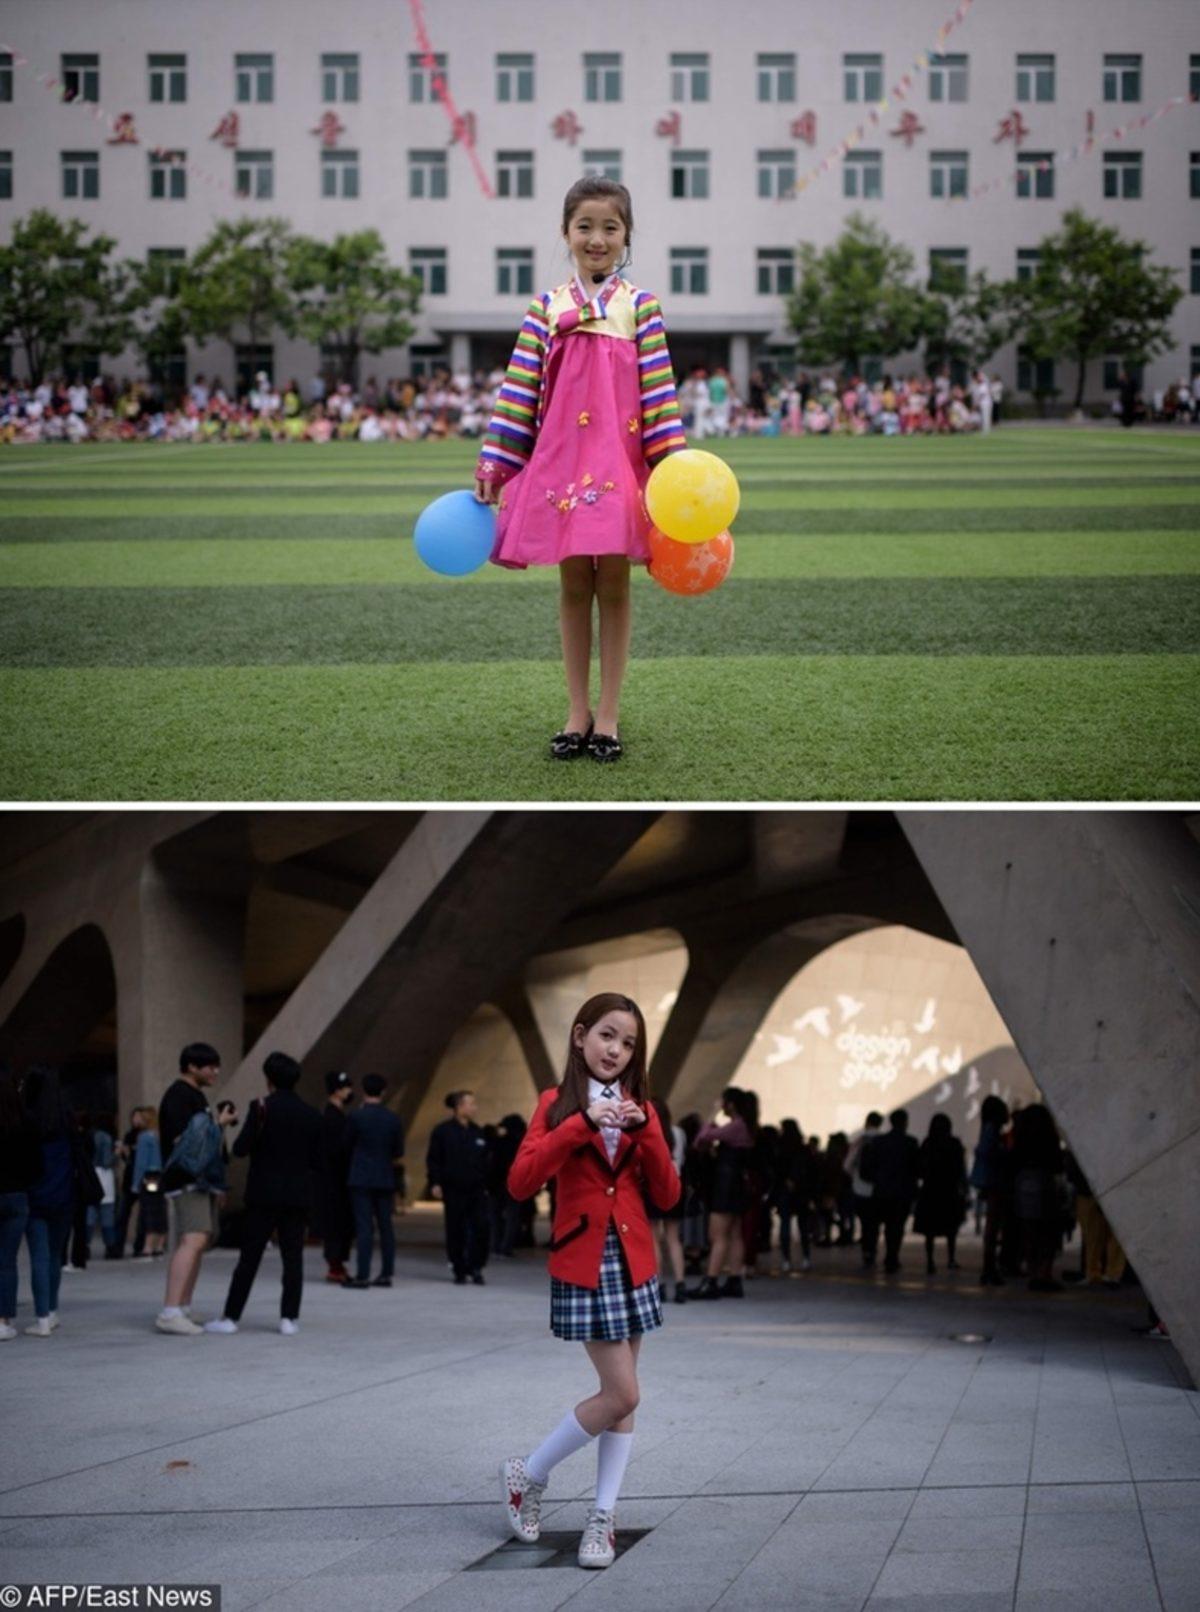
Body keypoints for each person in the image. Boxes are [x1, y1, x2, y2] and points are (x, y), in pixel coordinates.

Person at [473, 176, 687, 765]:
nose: (597, 238)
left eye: (610, 228)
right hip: (562, 467)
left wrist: (670, 470)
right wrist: (496, 461)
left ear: (626, 236)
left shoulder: (639, 307)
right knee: (573, 585)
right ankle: (576, 711)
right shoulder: (545, 309)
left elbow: (659, 394)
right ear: (565, 233)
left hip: (619, 466)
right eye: (585, 226)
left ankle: (610, 714)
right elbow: (519, 393)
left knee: (614, 585)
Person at [500, 993, 679, 1570]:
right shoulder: (554, 1103)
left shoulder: (642, 1107)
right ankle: (529, 1472)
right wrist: (579, 1124)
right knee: (623, 1393)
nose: (616, 1051)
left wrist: (647, 1128)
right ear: (580, 1036)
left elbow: (670, 1194)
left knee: (623, 1397)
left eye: (628, 1043)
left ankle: (601, 1517)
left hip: (634, 1259)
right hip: (585, 1259)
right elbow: (521, 1182)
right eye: (607, 1035)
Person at [206, 1052, 323, 1336]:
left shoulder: (260, 1108)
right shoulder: (311, 1114)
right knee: (293, 1258)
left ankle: (231, 1317)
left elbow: (241, 1149)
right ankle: (289, 1318)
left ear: (268, 1079)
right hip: (297, 1195)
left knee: (250, 1257)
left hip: (263, 1193)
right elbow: (318, 1161)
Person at [156, 1041, 237, 1336]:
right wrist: (219, 1122)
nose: (215, 1071)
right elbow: (187, 1142)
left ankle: (183, 1307)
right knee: (192, 1240)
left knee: (199, 1241)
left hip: (200, 1180)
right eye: (210, 1066)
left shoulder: (194, 1095)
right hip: (186, 1179)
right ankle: (171, 1310)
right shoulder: (179, 1096)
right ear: (192, 1066)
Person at [20, 1066, 75, 1337]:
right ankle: (52, 1312)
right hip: (64, 1196)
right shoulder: (66, 1120)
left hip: (34, 1197)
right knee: (54, 1256)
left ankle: (41, 1317)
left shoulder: (26, 1119)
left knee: (39, 1257)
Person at [689, 1087, 756, 1299]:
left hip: (726, 1186)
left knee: (717, 1235)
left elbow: (701, 1139)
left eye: (723, 1102)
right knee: (735, 1233)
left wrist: (711, 1116)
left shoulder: (735, 1126)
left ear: (731, 1104)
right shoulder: (745, 1126)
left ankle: (711, 1280)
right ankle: (734, 1280)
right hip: (737, 1185)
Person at [342, 1073, 404, 1289]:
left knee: (364, 1227)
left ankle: (363, 1274)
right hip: (384, 1176)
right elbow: (398, 1151)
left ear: (364, 1090)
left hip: (360, 1176)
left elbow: (346, 1145)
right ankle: (386, 1273)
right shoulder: (392, 1118)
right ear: (383, 1092)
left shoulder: (355, 1117)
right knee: (386, 1226)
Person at [426, 1090, 492, 1286]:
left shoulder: (478, 1132)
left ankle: (477, 1266)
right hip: (453, 1189)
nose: (474, 1108)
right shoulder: (442, 1132)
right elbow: (434, 1159)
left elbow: (486, 1161)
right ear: (459, 1107)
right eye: (470, 1104)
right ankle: (459, 1268)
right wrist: (435, 1182)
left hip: (477, 1190)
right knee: (456, 1229)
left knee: (481, 1227)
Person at [0, 1067, 42, 1340]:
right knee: (7, 1261)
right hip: (17, 1195)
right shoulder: (25, 1120)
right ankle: (3, 1320)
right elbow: (37, 1166)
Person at [863, 1109, 920, 1273]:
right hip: (901, 1192)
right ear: (905, 1122)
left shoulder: (879, 1142)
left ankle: (872, 1254)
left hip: (881, 1190)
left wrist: (876, 1180)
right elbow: (916, 1168)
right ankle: (892, 1256)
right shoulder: (910, 1143)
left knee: (877, 1225)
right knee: (896, 1227)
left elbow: (868, 1167)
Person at [913, 1114, 968, 1275]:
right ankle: (950, 1259)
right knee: (951, 1228)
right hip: (949, 1191)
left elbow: (920, 1169)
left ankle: (930, 1261)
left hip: (931, 1191)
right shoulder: (954, 1144)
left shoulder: (928, 1144)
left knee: (930, 1231)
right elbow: (960, 1169)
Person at [645, 1096, 686, 1303]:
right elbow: (682, 1159)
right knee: (673, 1238)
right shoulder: (678, 1133)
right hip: (675, 1184)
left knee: (654, 1238)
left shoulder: (649, 1130)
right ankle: (680, 1284)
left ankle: (658, 1285)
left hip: (652, 1184)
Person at [319, 1070, 356, 1284]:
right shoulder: (331, 1117)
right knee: (336, 1223)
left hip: (339, 1179)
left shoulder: (338, 1115)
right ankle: (335, 1265)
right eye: (346, 1088)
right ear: (337, 1091)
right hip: (335, 1180)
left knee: (342, 1224)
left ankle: (338, 1264)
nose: (350, 1091)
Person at [970, 1096, 1010, 1287]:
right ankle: (989, 1268)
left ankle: (990, 1268)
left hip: (991, 1181)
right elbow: (985, 1151)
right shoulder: (991, 1132)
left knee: (992, 1227)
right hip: (995, 1182)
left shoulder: (988, 1130)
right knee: (992, 1227)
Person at [846, 1112, 883, 1268]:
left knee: (865, 1222)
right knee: (875, 1223)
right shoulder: (883, 1141)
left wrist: (856, 1176)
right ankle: (872, 1250)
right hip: (879, 1189)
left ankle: (866, 1252)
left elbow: (847, 1164)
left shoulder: (859, 1140)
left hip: (860, 1188)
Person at [131, 1106, 167, 1258]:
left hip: (148, 1176)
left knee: (148, 1211)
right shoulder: (160, 1135)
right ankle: (159, 1245)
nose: (134, 1119)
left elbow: (141, 1163)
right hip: (161, 1176)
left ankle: (147, 1247)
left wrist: (135, 1183)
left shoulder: (144, 1137)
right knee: (160, 1210)